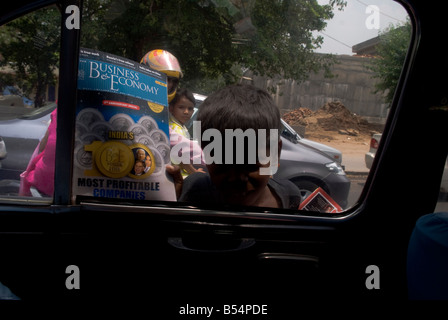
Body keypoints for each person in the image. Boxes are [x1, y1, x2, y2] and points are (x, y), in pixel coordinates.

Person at [170, 84, 301, 209]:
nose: (236, 179)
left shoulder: (290, 196)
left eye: (250, 165)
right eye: (223, 164)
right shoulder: (195, 192)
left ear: (275, 154)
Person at [168, 88, 205, 178]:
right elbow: (182, 158)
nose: (186, 112)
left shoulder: (181, 126)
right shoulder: (174, 129)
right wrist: (194, 172)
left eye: (190, 108)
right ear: (171, 108)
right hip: (179, 177)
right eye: (181, 107)